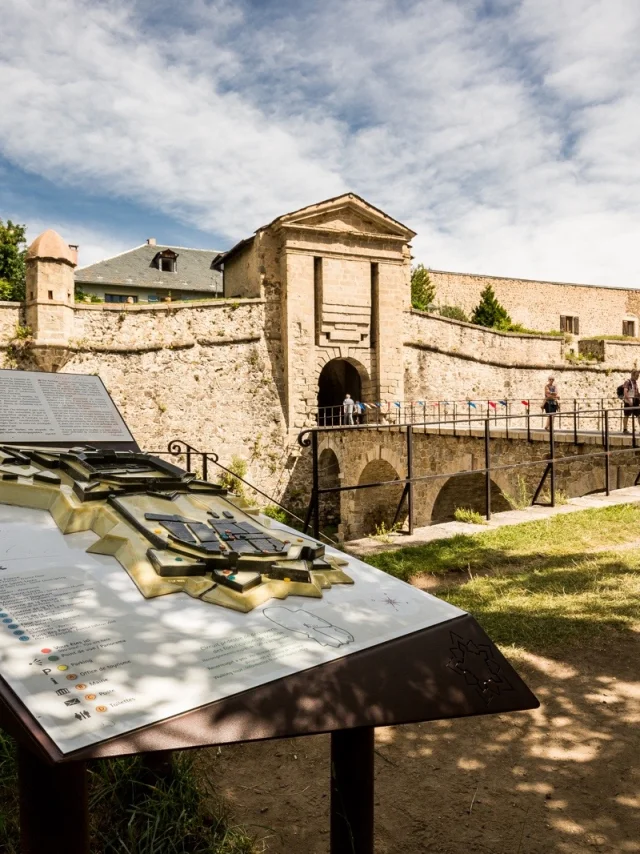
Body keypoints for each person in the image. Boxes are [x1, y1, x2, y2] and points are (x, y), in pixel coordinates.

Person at [622, 369, 640, 433]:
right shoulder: (627, 382)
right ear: (632, 375)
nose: (638, 377)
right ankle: (625, 429)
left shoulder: (635, 382)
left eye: (638, 375)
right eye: (637, 375)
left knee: (639, 415)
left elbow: (637, 393)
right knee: (626, 415)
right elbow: (625, 392)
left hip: (635, 401)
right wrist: (629, 401)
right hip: (629, 401)